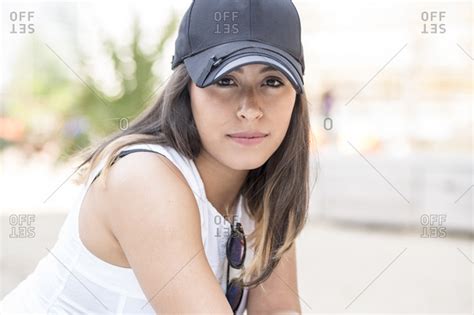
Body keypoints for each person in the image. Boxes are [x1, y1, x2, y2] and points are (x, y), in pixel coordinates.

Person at [1, 0, 311, 313]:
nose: (250, 109)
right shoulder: (145, 179)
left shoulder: (268, 189)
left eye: (272, 81)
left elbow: (277, 309)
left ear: (295, 97)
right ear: (185, 87)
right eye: (225, 80)